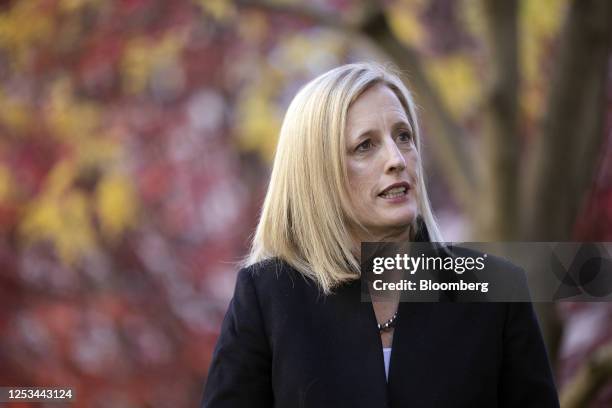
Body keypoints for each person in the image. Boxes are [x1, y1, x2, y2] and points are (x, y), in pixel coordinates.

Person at [201, 62, 559, 407]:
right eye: (365, 146)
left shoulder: (496, 289)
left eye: (403, 137)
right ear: (318, 174)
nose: (397, 159)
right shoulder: (267, 297)